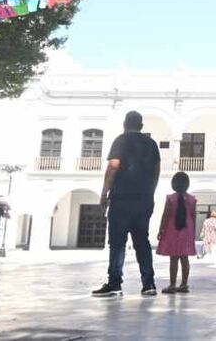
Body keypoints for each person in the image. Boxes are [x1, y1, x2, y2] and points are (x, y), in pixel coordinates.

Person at [93, 110, 161, 298]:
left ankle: (115, 284)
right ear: (141, 125)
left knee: (117, 243)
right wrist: (151, 194)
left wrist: (104, 192)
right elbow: (156, 171)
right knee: (142, 242)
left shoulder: (121, 140)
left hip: (122, 199)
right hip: (143, 200)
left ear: (125, 124)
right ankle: (149, 284)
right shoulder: (151, 144)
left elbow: (113, 166)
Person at [157, 171, 196, 294]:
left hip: (173, 229)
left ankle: (172, 285)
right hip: (187, 229)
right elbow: (193, 216)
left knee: (173, 258)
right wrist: (192, 233)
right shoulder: (192, 199)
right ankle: (184, 284)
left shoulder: (170, 198)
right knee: (185, 258)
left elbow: (166, 215)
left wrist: (161, 229)